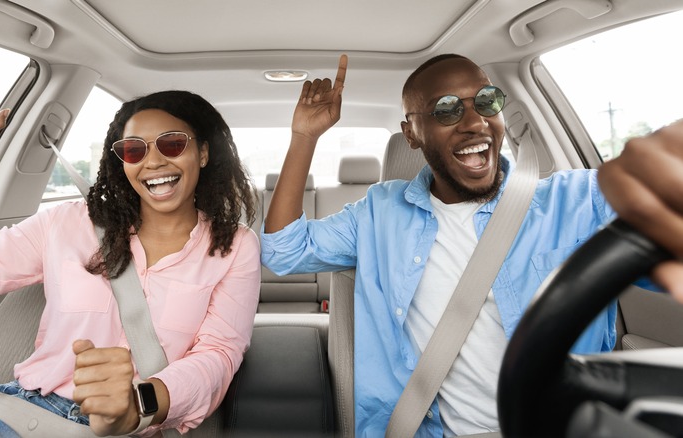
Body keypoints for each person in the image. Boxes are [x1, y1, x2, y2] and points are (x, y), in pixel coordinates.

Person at [261, 53, 683, 437]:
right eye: (446, 109)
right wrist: (304, 137)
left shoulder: (576, 199)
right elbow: (282, 250)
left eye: (486, 101)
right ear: (412, 133)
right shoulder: (378, 212)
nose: (475, 122)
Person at [0, 91, 261, 436]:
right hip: (18, 414)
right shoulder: (64, 224)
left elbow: (218, 355)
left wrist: (138, 405)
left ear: (202, 152)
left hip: (136, 427)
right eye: (135, 150)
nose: (153, 161)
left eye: (172, 144)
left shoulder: (236, 247)